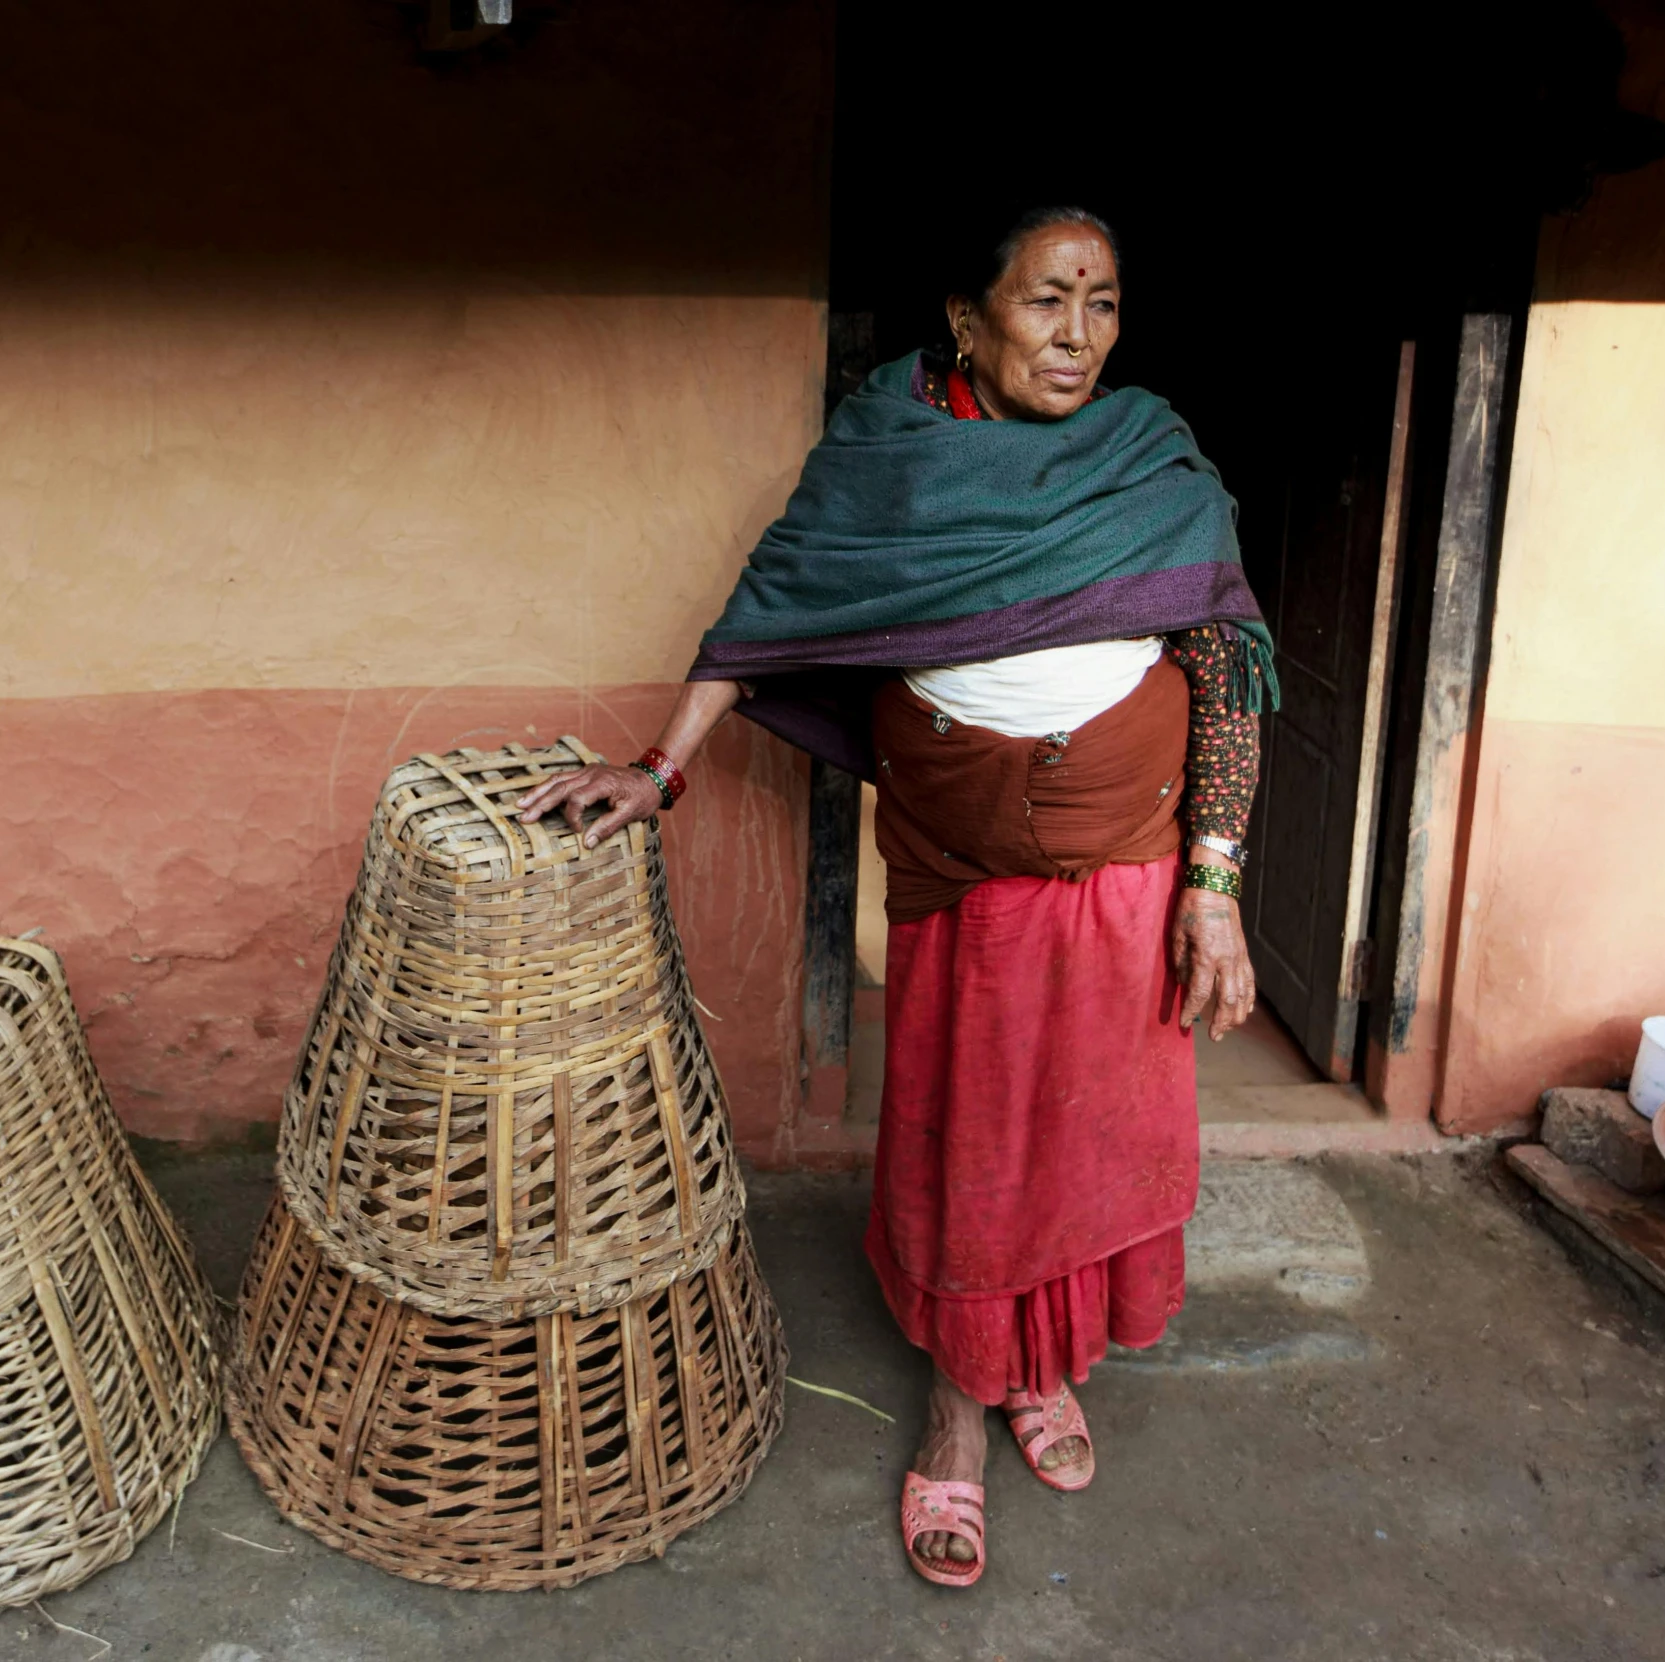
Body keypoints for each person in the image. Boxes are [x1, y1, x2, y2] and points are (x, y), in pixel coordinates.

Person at [514, 206, 1275, 1588]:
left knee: (1093, 1129)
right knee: (976, 1141)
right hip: (963, 873)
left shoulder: (1152, 451)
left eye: (1103, 303)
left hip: (1129, 866)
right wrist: (659, 769)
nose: (1078, 334)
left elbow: (1224, 664)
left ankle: (1045, 1370)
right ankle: (956, 1414)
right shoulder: (891, 449)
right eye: (1046, 301)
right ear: (967, 317)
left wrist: (1214, 881)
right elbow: (778, 600)